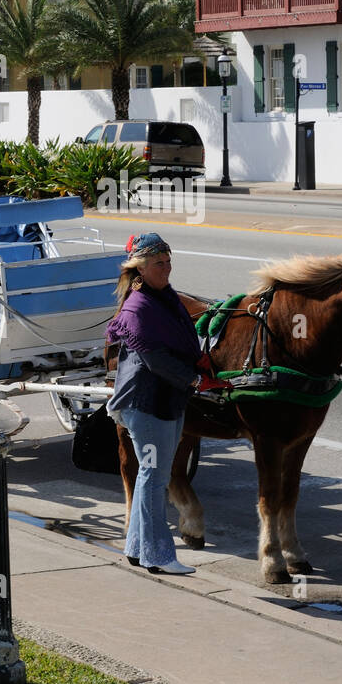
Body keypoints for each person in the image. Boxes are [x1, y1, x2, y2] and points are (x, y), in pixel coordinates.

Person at [106, 232, 206, 575]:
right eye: (158, 263)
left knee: (155, 476)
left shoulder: (165, 298)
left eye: (168, 261)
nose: (166, 268)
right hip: (146, 405)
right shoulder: (139, 307)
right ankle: (159, 556)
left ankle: (136, 548)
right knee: (153, 477)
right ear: (140, 269)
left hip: (166, 401)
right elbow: (154, 360)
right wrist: (193, 378)